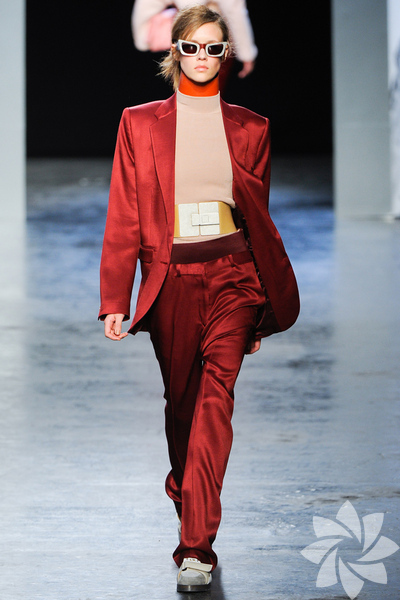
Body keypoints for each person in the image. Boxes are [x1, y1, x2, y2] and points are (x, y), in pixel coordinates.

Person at [99, 5, 299, 593]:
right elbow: (124, 214)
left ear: (226, 54)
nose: (202, 57)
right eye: (192, 47)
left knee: (216, 405)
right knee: (182, 407)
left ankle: (197, 546)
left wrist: (259, 310)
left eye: (214, 47)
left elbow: (258, 219)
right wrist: (116, 297)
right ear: (174, 52)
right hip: (172, 280)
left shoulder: (252, 128)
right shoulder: (139, 123)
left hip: (236, 277)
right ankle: (186, 489)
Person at [131, 0, 257, 78]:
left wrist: (143, 35)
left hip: (190, 39)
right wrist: (246, 54)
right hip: (212, 40)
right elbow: (234, 10)